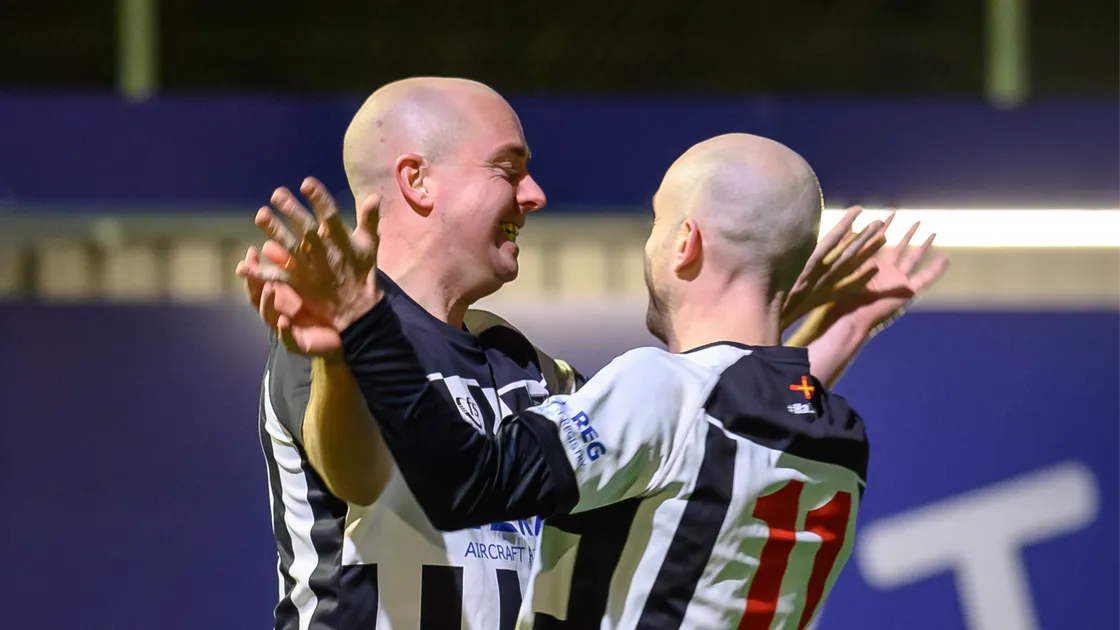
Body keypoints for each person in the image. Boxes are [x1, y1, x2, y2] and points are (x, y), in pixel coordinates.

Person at [249, 132, 949, 629]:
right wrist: (834, 323)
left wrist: (363, 324)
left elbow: (464, 479)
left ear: (685, 243)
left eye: (655, 221)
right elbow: (729, 427)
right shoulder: (835, 434)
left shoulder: (655, 390)